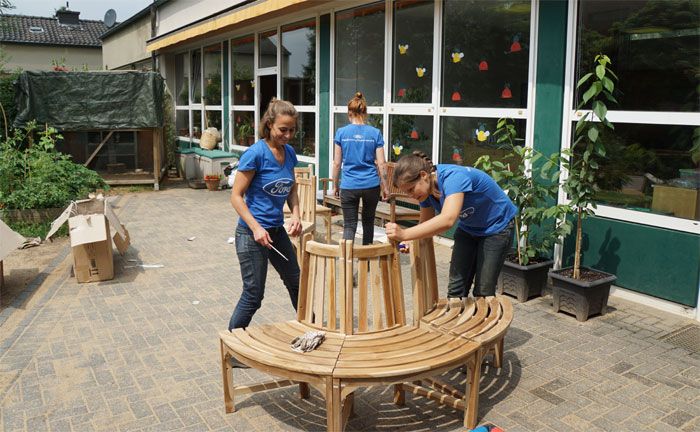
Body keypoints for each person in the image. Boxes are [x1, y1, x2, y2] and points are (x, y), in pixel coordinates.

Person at [385, 151, 516, 298]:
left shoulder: (453, 178)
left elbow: (448, 219)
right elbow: (425, 223)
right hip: (469, 228)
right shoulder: (425, 192)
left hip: (497, 228)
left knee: (483, 292)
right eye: (407, 193)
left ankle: (482, 319)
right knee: (456, 289)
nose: (411, 196)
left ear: (423, 175)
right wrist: (409, 240)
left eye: (411, 189)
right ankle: (459, 319)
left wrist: (404, 233)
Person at [229, 99, 302, 337]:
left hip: (277, 232)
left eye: (292, 130)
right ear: (269, 125)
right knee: (253, 293)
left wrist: (297, 215)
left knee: (298, 283)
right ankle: (233, 347)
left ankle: (311, 330)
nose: (288, 135)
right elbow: (236, 197)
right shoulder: (255, 154)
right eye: (283, 129)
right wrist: (257, 229)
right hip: (251, 234)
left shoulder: (289, 153)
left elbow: (291, 189)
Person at [332, 92, 389, 245]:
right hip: (371, 185)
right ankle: (367, 263)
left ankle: (346, 264)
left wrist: (335, 185)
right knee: (368, 222)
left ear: (349, 113)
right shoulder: (375, 133)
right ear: (365, 112)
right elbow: (382, 164)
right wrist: (385, 187)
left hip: (349, 186)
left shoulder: (341, 133)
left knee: (349, 225)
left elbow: (337, 164)